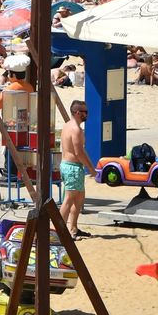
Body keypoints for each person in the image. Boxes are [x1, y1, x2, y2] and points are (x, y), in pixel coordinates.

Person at [59, 99, 96, 240]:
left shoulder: (68, 126)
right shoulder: (75, 129)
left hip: (71, 166)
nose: (87, 114)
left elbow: (81, 150)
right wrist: (91, 168)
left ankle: (73, 229)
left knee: (79, 199)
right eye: (85, 112)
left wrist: (90, 166)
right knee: (69, 199)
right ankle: (59, 231)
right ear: (77, 112)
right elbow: (78, 152)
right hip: (72, 167)